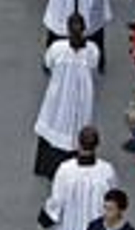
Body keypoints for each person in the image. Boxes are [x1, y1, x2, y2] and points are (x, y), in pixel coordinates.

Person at [33, 14, 100, 179]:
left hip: (58, 95)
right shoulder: (92, 50)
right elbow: (94, 65)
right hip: (82, 96)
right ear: (85, 30)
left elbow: (47, 63)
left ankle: (48, 168)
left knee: (54, 125)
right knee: (76, 126)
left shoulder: (57, 48)